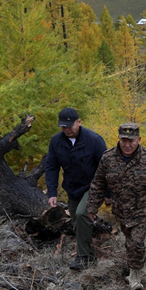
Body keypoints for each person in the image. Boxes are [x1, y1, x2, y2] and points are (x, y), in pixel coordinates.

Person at [86, 123, 146, 290]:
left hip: (144, 209)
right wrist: (92, 207)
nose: (127, 144)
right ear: (119, 139)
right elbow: (98, 184)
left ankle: (134, 276)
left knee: (136, 242)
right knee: (130, 241)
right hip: (121, 210)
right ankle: (141, 266)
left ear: (138, 139)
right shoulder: (108, 158)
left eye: (131, 140)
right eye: (124, 140)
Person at [45, 108, 107, 271]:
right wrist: (52, 192)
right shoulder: (56, 141)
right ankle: (91, 260)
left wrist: (109, 193)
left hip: (93, 187)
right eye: (63, 126)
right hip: (72, 188)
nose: (66, 129)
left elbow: (107, 167)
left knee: (81, 214)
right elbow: (51, 167)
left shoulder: (94, 140)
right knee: (78, 223)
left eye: (70, 126)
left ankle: (82, 257)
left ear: (79, 122)